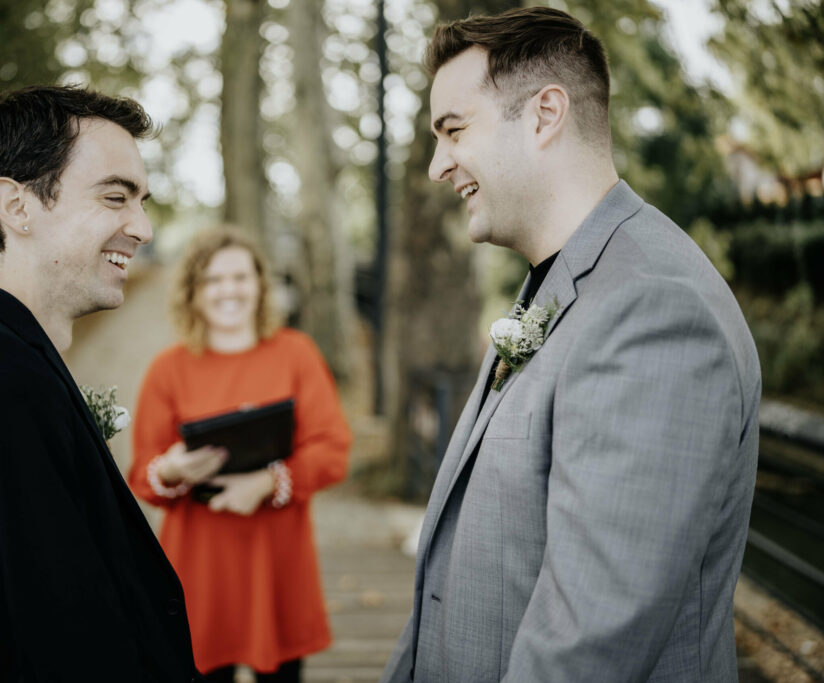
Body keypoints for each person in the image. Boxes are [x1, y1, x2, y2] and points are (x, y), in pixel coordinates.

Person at [383, 8, 761, 683]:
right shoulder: (563, 283)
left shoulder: (654, 309)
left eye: (454, 130)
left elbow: (589, 646)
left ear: (544, 115)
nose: (439, 164)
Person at [0, 86, 201, 681]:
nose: (141, 227)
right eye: (116, 197)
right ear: (16, 205)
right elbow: (64, 637)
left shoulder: (7, 356)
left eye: (142, 201)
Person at [129, 228, 351, 682]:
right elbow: (141, 475)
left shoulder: (297, 354)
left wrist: (267, 483)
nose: (228, 290)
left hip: (277, 561)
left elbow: (332, 450)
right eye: (212, 280)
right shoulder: (167, 369)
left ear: (260, 285)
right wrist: (172, 468)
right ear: (193, 292)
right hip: (200, 568)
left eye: (239, 277)